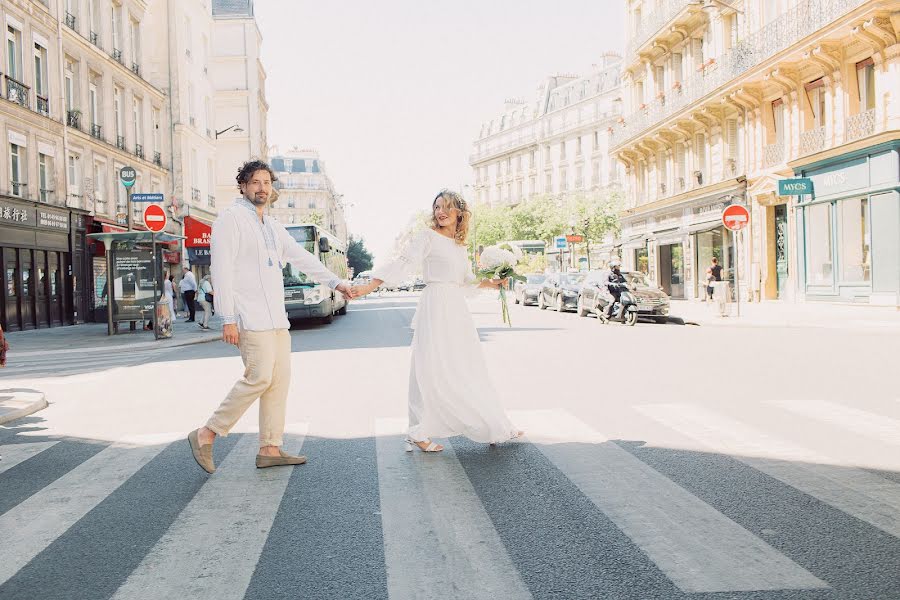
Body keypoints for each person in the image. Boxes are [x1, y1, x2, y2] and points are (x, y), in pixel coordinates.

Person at [188, 160, 352, 473]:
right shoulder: (230, 219)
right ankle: (207, 433)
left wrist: (337, 283)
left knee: (278, 382)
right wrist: (227, 318)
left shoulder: (274, 228)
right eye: (255, 182)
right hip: (249, 317)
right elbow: (220, 269)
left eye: (267, 182)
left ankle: (270, 447)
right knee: (259, 377)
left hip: (277, 319)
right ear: (243, 186)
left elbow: (303, 258)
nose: (262, 188)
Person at [351, 189, 523, 452]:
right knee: (429, 366)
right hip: (435, 306)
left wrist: (493, 282)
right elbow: (401, 264)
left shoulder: (458, 245)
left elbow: (465, 281)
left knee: (467, 365)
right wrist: (368, 286)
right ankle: (419, 430)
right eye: (437, 207)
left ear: (459, 214)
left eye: (447, 207)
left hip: (456, 308)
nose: (440, 212)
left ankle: (491, 423)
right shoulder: (426, 237)